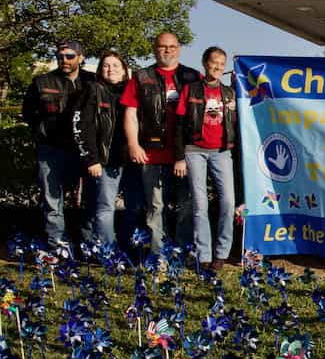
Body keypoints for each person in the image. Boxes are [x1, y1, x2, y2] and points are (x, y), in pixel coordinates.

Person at [122, 32, 201, 255]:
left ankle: (182, 252)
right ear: (154, 49)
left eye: (172, 47)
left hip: (186, 155)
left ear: (179, 48)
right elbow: (130, 113)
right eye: (162, 47)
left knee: (187, 205)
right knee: (156, 208)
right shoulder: (141, 76)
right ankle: (160, 255)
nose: (167, 50)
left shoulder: (193, 76)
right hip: (152, 154)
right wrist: (133, 144)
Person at [22, 39, 95, 247]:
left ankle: (88, 244)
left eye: (70, 56)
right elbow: (29, 113)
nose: (64, 60)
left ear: (80, 58)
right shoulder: (41, 82)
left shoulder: (93, 81)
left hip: (84, 149)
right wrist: (43, 131)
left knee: (92, 197)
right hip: (51, 148)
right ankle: (58, 245)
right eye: (60, 56)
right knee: (52, 199)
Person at [174, 47, 237, 271]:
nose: (218, 67)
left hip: (221, 152)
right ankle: (204, 255)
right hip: (194, 151)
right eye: (214, 62)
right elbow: (179, 125)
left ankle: (222, 253)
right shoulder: (191, 90)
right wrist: (179, 157)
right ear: (204, 63)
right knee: (200, 205)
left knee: (228, 202)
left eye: (222, 63)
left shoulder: (230, 92)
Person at [72, 50, 143, 247]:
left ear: (124, 70)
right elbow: (81, 126)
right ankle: (108, 252)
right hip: (104, 161)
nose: (110, 69)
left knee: (135, 206)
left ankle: (125, 243)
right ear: (100, 69)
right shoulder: (92, 90)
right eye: (106, 65)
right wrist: (91, 159)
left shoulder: (134, 90)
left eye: (115, 65)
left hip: (131, 160)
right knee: (104, 208)